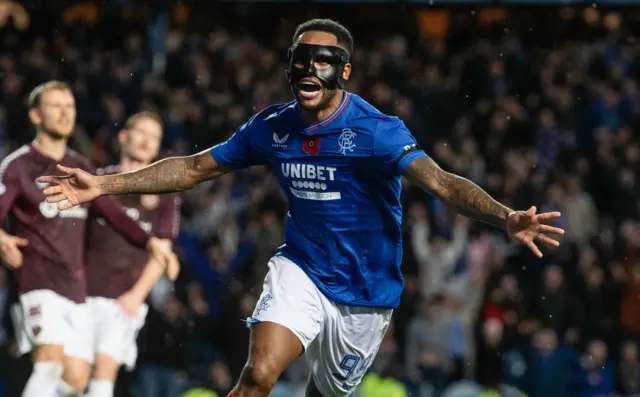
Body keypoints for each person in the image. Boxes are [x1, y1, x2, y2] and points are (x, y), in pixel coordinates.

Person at [38, 19, 565, 397]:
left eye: (324, 60)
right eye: (300, 59)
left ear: (345, 72)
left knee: (327, 393)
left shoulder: (377, 131)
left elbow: (444, 185)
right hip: (302, 269)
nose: (309, 67)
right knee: (259, 374)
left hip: (365, 293)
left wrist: (506, 217)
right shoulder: (273, 126)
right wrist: (104, 187)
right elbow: (195, 168)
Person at [0, 80, 179, 397]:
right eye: (56, 105)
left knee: (76, 381)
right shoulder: (17, 166)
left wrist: (150, 243)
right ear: (35, 116)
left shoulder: (81, 168)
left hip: (75, 288)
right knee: (50, 365)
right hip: (35, 279)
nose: (65, 112)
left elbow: (114, 214)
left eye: (69, 105)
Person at [83, 111, 181, 397]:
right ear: (123, 137)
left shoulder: (165, 192)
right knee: (71, 374)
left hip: (123, 299)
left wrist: (137, 296)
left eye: (155, 137)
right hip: (79, 292)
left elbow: (163, 250)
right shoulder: (97, 181)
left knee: (103, 374)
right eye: (141, 132)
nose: (147, 141)